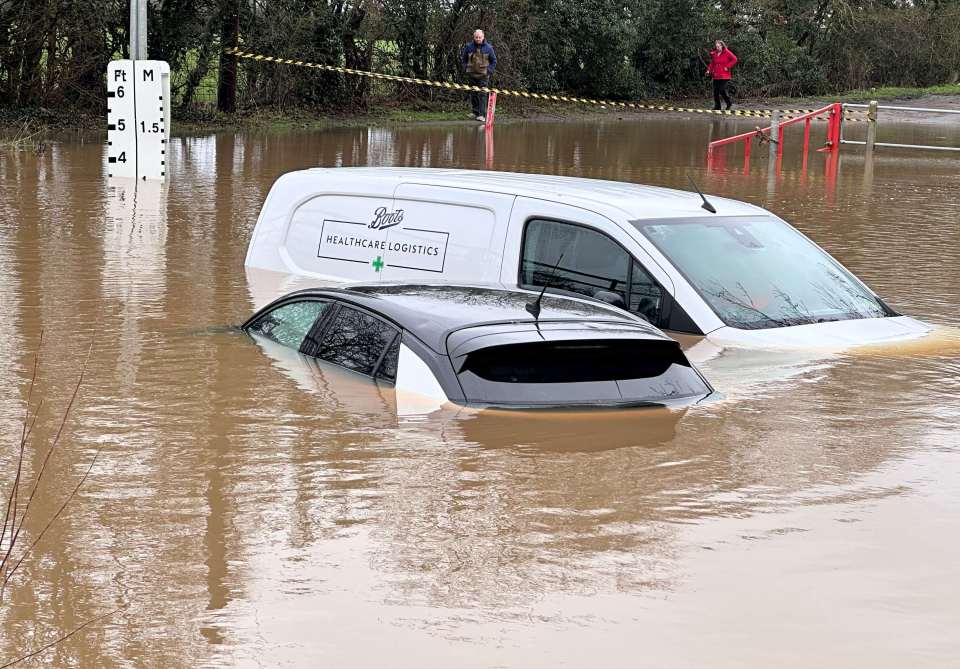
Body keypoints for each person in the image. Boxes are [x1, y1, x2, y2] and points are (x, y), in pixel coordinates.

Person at [462, 29, 496, 122]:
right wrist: (466, 69)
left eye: (479, 37)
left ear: (483, 37)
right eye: (476, 37)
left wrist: (488, 71)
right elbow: (464, 59)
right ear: (474, 37)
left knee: (483, 95)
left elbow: (494, 61)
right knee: (473, 94)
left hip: (484, 76)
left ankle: (482, 115)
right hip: (472, 75)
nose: (478, 39)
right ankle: (475, 112)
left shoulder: (489, 48)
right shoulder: (469, 47)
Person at [707, 40, 737, 110]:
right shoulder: (715, 53)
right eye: (716, 46)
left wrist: (727, 66)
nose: (717, 48)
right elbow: (712, 63)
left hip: (724, 75)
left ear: (722, 46)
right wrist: (708, 70)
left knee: (722, 90)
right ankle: (717, 106)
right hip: (716, 75)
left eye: (718, 46)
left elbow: (735, 59)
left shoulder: (726, 52)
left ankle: (729, 103)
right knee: (715, 92)